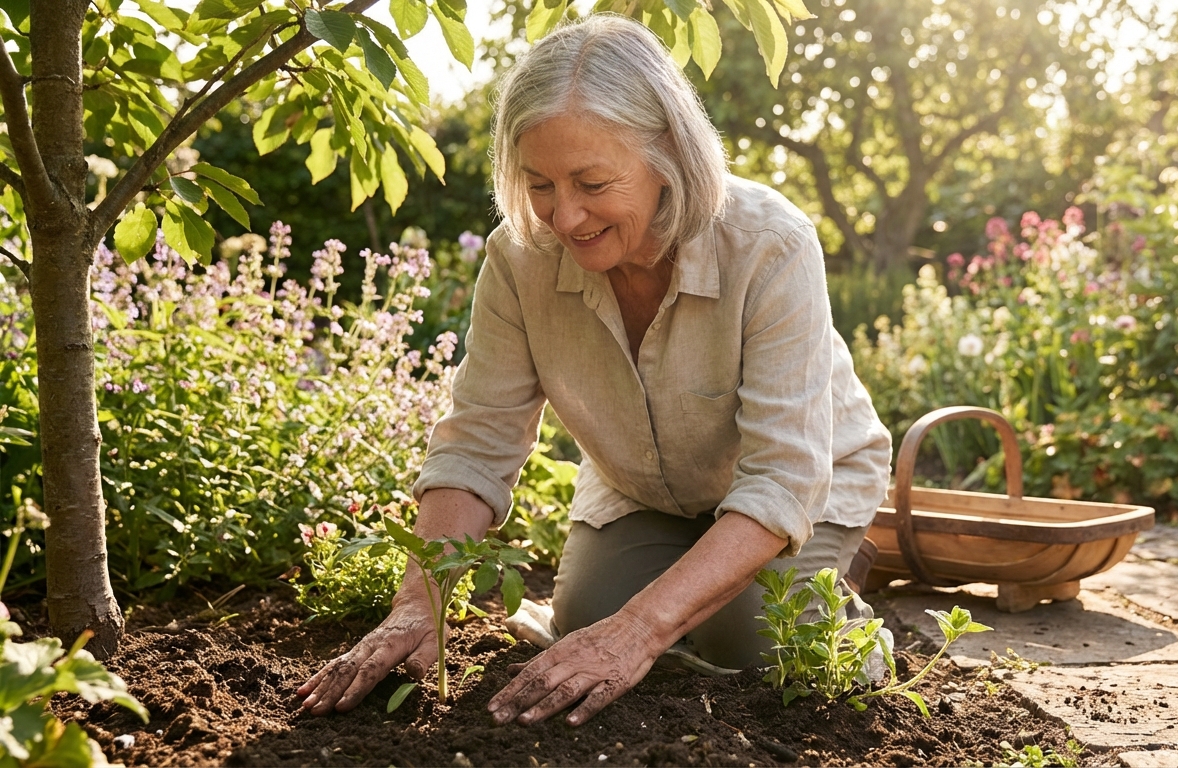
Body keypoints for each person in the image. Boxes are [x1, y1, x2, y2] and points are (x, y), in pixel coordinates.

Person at [295, 14, 892, 727]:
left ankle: (843, 605)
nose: (565, 216)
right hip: (643, 489)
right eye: (539, 183)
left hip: (797, 489)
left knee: (758, 644)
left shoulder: (770, 245)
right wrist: (416, 604)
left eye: (591, 181)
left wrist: (641, 631)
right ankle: (690, 605)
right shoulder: (519, 260)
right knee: (587, 619)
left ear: (666, 152)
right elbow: (479, 439)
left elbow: (782, 478)